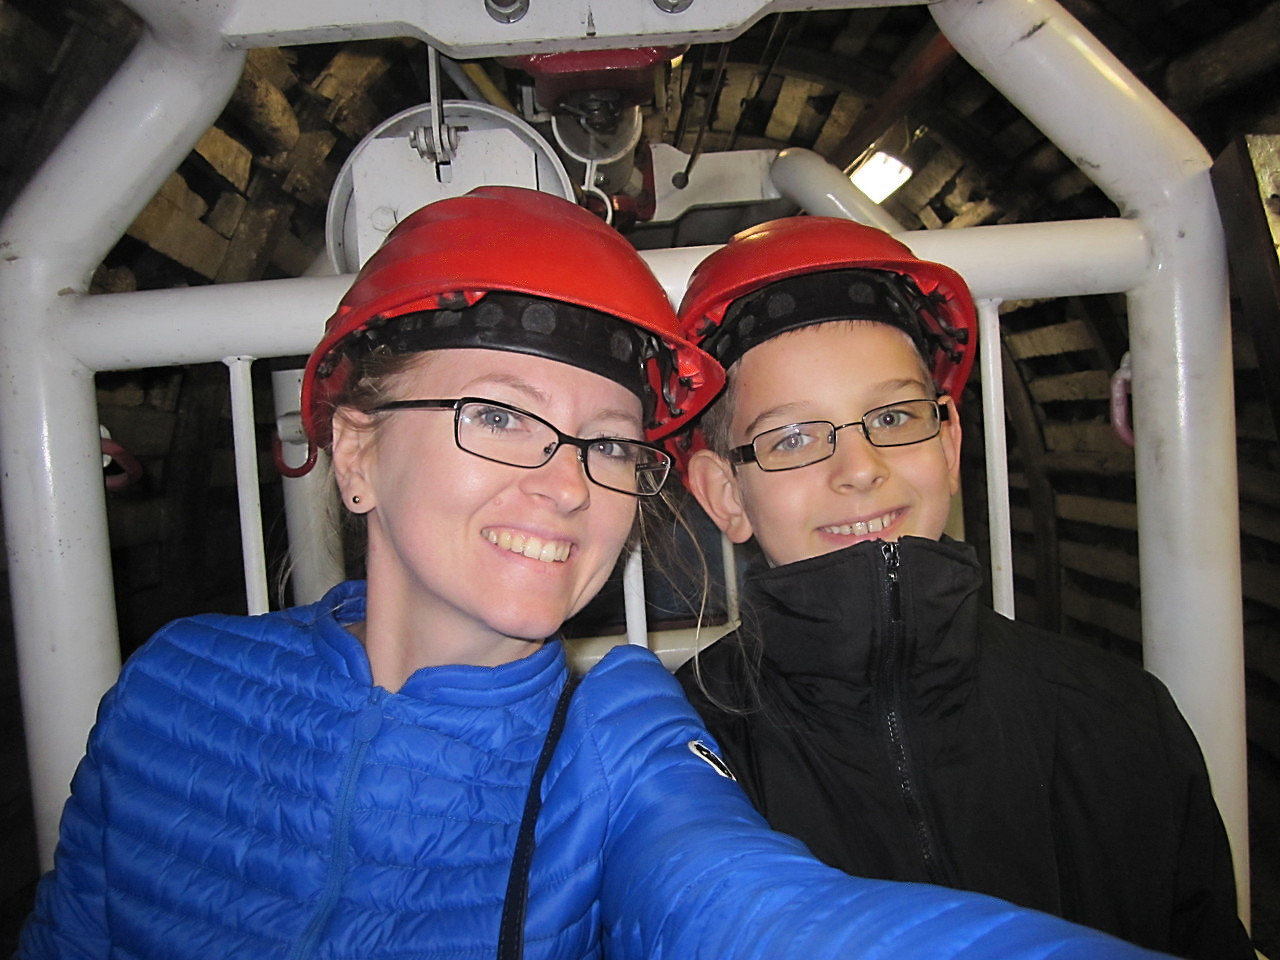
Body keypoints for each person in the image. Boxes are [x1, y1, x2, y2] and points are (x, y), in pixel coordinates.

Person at [19, 187, 1175, 960]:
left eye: (609, 444)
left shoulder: (619, 732)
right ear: (357, 452)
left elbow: (757, 911)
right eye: (498, 416)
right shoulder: (176, 684)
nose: (567, 484)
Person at [671, 214, 1255, 960]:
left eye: (892, 416)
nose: (860, 468)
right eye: (793, 437)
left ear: (948, 446)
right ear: (725, 494)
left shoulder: (1124, 722)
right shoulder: (680, 758)